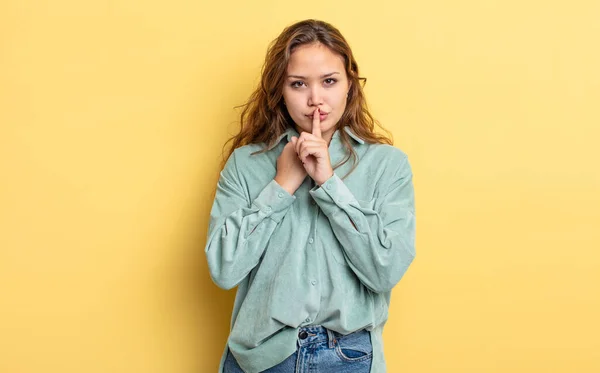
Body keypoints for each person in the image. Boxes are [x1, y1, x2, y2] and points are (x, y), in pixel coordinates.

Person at [204, 19, 416, 373]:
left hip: (349, 357)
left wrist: (328, 183)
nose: (315, 99)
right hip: (261, 358)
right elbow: (224, 270)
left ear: (350, 84)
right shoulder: (246, 163)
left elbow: (385, 271)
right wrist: (281, 185)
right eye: (298, 84)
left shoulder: (387, 165)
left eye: (329, 81)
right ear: (280, 91)